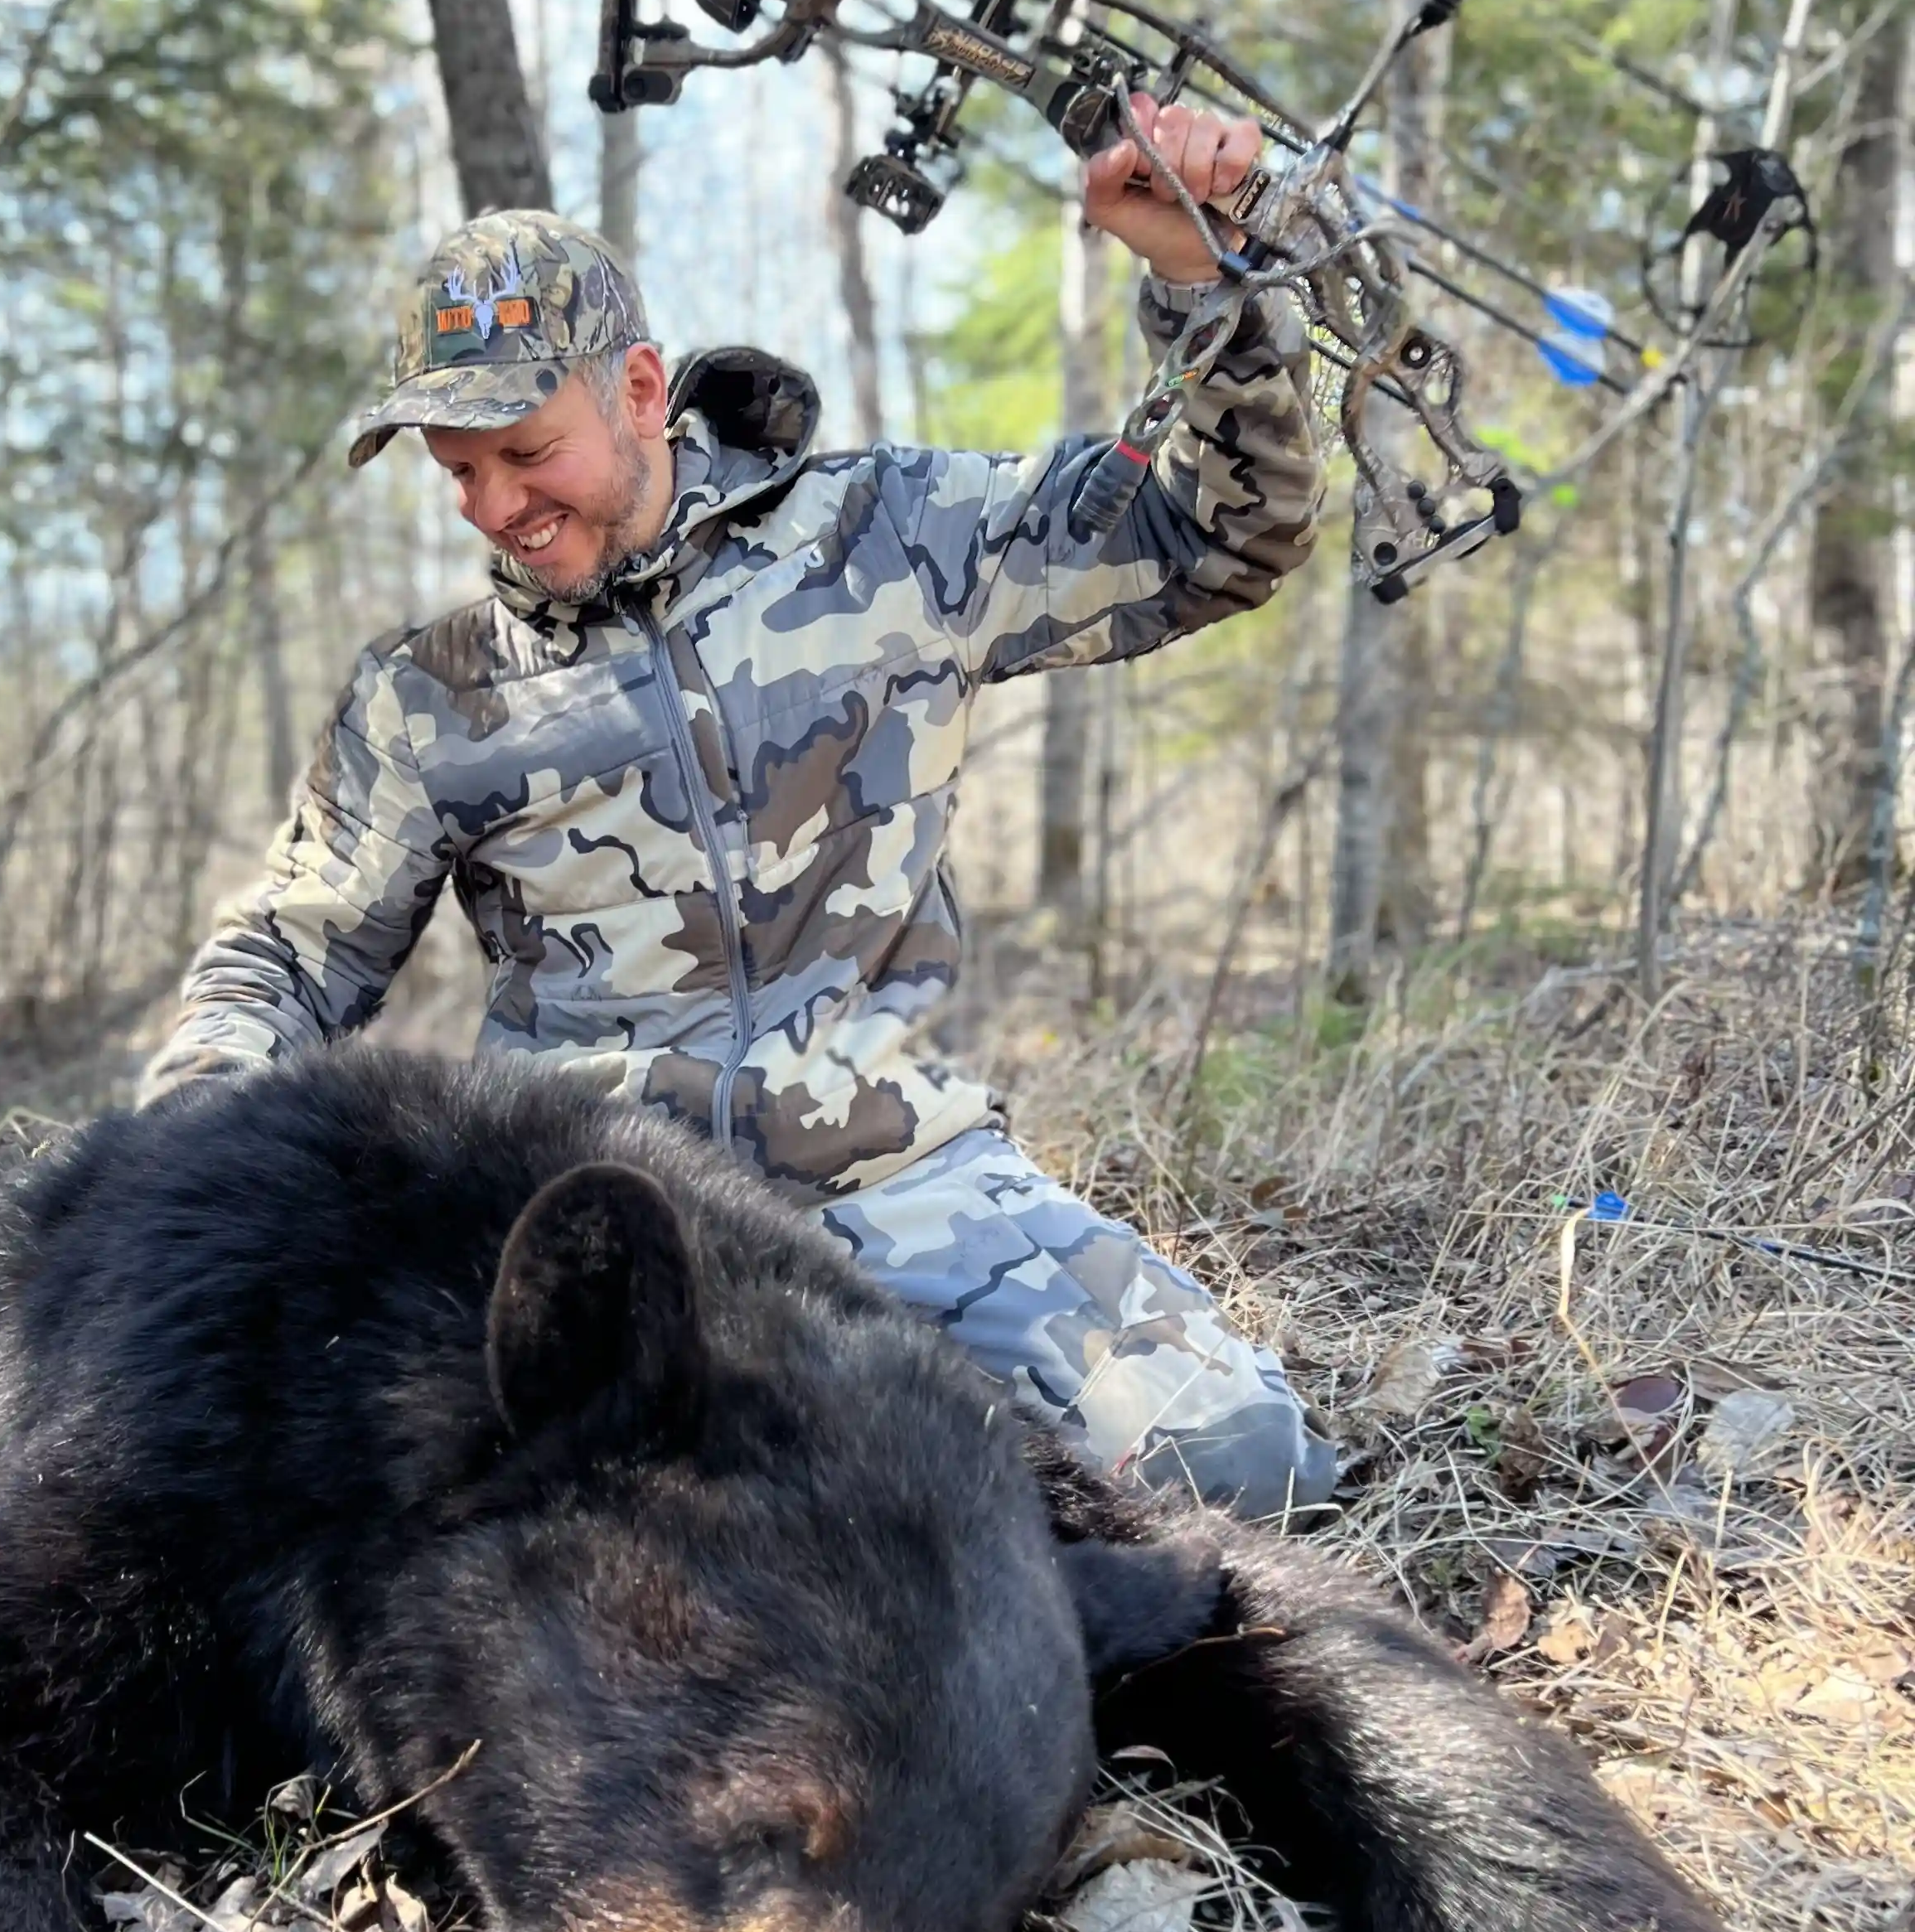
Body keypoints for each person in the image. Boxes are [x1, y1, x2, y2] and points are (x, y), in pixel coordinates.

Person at [142, 96, 1338, 1513]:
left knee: (1234, 1465)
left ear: (641, 391)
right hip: (593, 1234)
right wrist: (183, 1147)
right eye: (456, 473)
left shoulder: (890, 541)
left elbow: (1217, 532)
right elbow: (285, 956)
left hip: (903, 1188)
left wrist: (1202, 286)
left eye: (527, 452)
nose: (493, 508)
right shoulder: (429, 695)